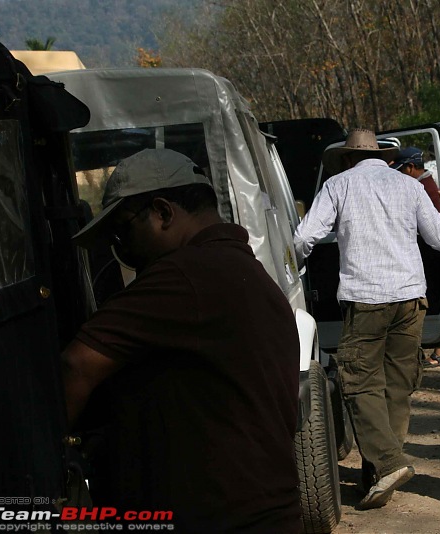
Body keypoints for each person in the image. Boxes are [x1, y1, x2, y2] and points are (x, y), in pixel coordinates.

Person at [61, 149, 301, 533]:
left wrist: (40, 463)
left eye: (122, 233)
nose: (120, 251)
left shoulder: (184, 276)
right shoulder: (244, 272)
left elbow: (77, 365)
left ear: (163, 213)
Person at [293, 129, 440, 510]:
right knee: (397, 386)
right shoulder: (409, 186)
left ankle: (387, 464)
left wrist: (291, 271)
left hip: (366, 299)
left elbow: (305, 238)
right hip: (410, 300)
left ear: (346, 158)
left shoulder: (338, 185)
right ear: (385, 156)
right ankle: (379, 471)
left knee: (360, 383)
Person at [391, 146, 440, 367]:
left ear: (411, 168)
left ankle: (437, 349)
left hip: (428, 256)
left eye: (400, 169)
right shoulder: (425, 185)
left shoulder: (424, 188)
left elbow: (429, 228)